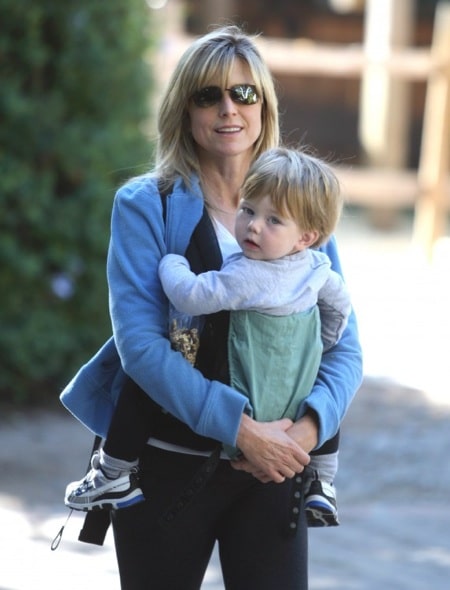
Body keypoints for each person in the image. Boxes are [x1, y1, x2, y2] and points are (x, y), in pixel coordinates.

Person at [60, 25, 362, 590]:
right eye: (209, 95)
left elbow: (343, 346)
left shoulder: (299, 205)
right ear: (184, 108)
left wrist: (299, 437)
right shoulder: (146, 204)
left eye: (243, 93)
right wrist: (242, 430)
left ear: (263, 105)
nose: (229, 108)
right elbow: (141, 348)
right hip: (165, 466)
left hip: (275, 469)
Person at [65, 146, 351, 529]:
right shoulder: (317, 265)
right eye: (248, 210)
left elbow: (194, 296)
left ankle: (115, 471)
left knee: (144, 382)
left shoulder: (248, 275)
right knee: (319, 394)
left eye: (272, 221)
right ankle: (322, 478)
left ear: (306, 236)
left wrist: (171, 264)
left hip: (243, 391)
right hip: (288, 404)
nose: (253, 226)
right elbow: (340, 306)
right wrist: (323, 342)